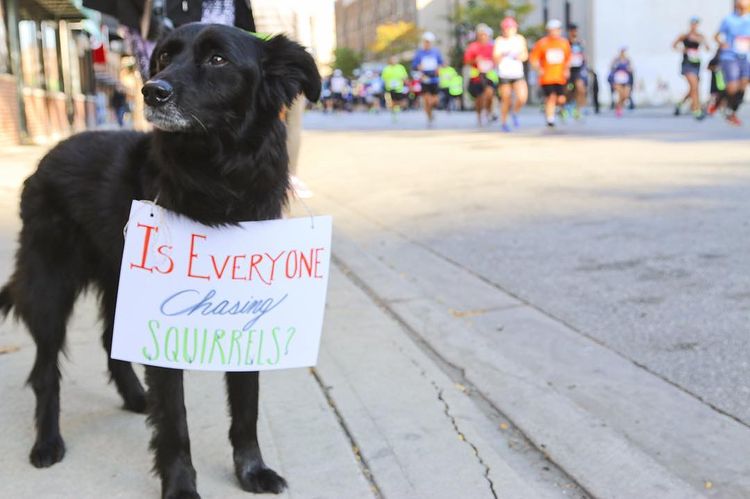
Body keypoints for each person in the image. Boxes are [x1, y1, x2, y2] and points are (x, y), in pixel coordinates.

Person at [530, 19, 571, 127]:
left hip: (560, 76)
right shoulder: (542, 43)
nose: (554, 32)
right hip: (547, 77)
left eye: (557, 30)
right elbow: (534, 58)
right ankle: (550, 119)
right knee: (551, 97)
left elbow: (568, 59)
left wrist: (567, 70)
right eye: (552, 30)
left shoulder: (564, 43)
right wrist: (538, 69)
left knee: (561, 99)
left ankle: (559, 110)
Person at [715, 0, 750, 126]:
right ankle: (719, 99)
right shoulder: (729, 19)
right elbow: (717, 36)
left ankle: (732, 112)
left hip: (745, 57)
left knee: (744, 83)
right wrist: (722, 43)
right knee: (732, 87)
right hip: (730, 57)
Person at [494, 16, 528, 132]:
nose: (510, 31)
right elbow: (495, 58)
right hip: (504, 73)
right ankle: (504, 122)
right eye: (507, 28)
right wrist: (503, 55)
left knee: (522, 97)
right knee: (506, 99)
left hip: (517, 73)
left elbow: (525, 56)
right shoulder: (499, 41)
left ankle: (515, 112)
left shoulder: (519, 39)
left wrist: (519, 56)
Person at [673, 17, 710, 119]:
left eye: (696, 24)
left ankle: (680, 104)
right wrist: (683, 50)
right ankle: (696, 110)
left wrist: (702, 41)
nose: (694, 26)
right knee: (694, 85)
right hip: (687, 63)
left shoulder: (700, 36)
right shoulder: (685, 35)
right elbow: (674, 45)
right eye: (693, 24)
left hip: (696, 63)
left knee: (694, 87)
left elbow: (708, 48)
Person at [465, 23, 497, 126]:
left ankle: (487, 112)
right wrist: (475, 60)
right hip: (476, 76)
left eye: (484, 34)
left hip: (489, 75)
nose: (483, 36)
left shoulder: (492, 46)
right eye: (480, 34)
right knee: (479, 98)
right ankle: (479, 115)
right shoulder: (473, 47)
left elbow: (497, 58)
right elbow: (467, 61)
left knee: (489, 94)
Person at [412, 31, 444, 124]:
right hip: (424, 78)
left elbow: (441, 63)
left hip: (434, 78)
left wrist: (439, 68)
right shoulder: (419, 53)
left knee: (434, 100)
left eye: (428, 42)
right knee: (427, 100)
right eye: (425, 41)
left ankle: (432, 111)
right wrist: (419, 67)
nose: (427, 43)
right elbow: (414, 65)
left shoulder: (436, 52)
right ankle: (429, 116)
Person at [566, 23, 588, 119]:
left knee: (580, 89)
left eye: (575, 31)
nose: (574, 33)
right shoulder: (565, 42)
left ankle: (578, 110)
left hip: (578, 69)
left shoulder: (580, 42)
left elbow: (583, 55)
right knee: (568, 89)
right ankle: (566, 106)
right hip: (567, 69)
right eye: (572, 31)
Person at [609, 47, 634, 117]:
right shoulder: (616, 60)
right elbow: (611, 68)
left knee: (626, 95)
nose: (623, 53)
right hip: (618, 80)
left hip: (626, 80)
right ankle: (619, 108)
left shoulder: (627, 60)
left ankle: (619, 106)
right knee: (621, 94)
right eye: (622, 52)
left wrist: (630, 69)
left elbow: (631, 69)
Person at [707, 49, 728, 115]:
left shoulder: (726, 60)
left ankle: (723, 109)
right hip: (715, 80)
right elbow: (708, 67)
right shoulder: (714, 60)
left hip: (723, 81)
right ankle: (710, 109)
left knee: (724, 95)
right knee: (714, 95)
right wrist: (715, 68)